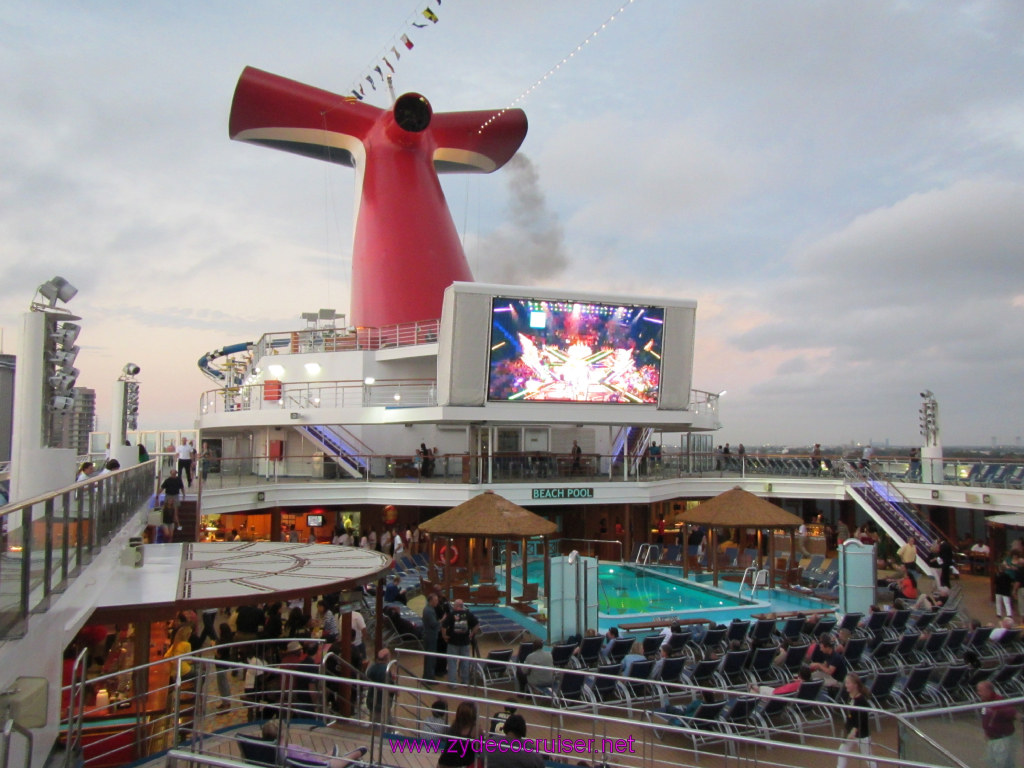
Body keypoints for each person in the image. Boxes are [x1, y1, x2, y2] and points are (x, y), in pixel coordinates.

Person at [836, 673, 877, 768]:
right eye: (846, 683)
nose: (846, 685)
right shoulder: (849, 697)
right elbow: (849, 715)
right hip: (849, 731)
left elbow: (862, 717)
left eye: (848, 683)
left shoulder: (861, 700)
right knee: (842, 752)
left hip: (861, 733)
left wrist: (854, 730)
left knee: (868, 756)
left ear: (855, 685)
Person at [978, 680, 1016, 768]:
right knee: (993, 762)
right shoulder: (986, 701)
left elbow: (1013, 714)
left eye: (980, 691)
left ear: (988, 691)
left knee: (1003, 764)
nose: (978, 693)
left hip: (1002, 740)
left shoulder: (999, 702)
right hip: (992, 739)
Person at [442, 599, 479, 685]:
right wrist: (472, 634)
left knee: (452, 663)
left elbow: (444, 626)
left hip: (453, 643)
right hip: (465, 642)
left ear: (457, 606)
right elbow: (477, 625)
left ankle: (452, 683)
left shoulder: (451, 615)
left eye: (454, 605)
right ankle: (465, 681)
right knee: (465, 662)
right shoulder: (468, 614)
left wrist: (444, 636)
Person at [437, 701, 478, 768]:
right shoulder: (475, 731)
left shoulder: (453, 727)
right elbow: (480, 750)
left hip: (444, 763)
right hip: (462, 764)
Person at [422, 592, 441, 682]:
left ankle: (427, 675)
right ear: (431, 601)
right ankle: (429, 677)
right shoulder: (429, 611)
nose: (437, 602)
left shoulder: (428, 609)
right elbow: (434, 624)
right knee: (431, 657)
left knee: (429, 657)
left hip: (429, 635)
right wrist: (442, 620)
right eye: (435, 600)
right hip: (431, 636)